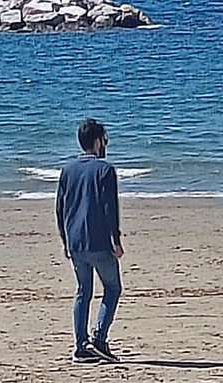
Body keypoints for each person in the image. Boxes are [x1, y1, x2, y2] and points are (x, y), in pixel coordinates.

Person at [56, 118, 125, 364]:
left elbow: (60, 208)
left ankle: (80, 345)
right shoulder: (105, 170)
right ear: (97, 142)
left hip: (75, 241)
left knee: (83, 291)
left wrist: (65, 239)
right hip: (97, 241)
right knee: (113, 288)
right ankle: (99, 338)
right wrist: (115, 240)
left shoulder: (67, 170)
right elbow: (110, 208)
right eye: (104, 141)